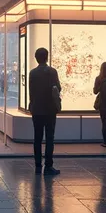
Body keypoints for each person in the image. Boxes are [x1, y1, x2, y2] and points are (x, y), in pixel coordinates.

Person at [29, 47, 61, 176]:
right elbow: (58, 88)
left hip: (36, 109)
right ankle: (48, 166)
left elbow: (31, 91)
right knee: (49, 138)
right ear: (47, 57)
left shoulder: (32, 73)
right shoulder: (52, 72)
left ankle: (37, 165)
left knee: (37, 138)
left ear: (36, 58)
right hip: (49, 109)